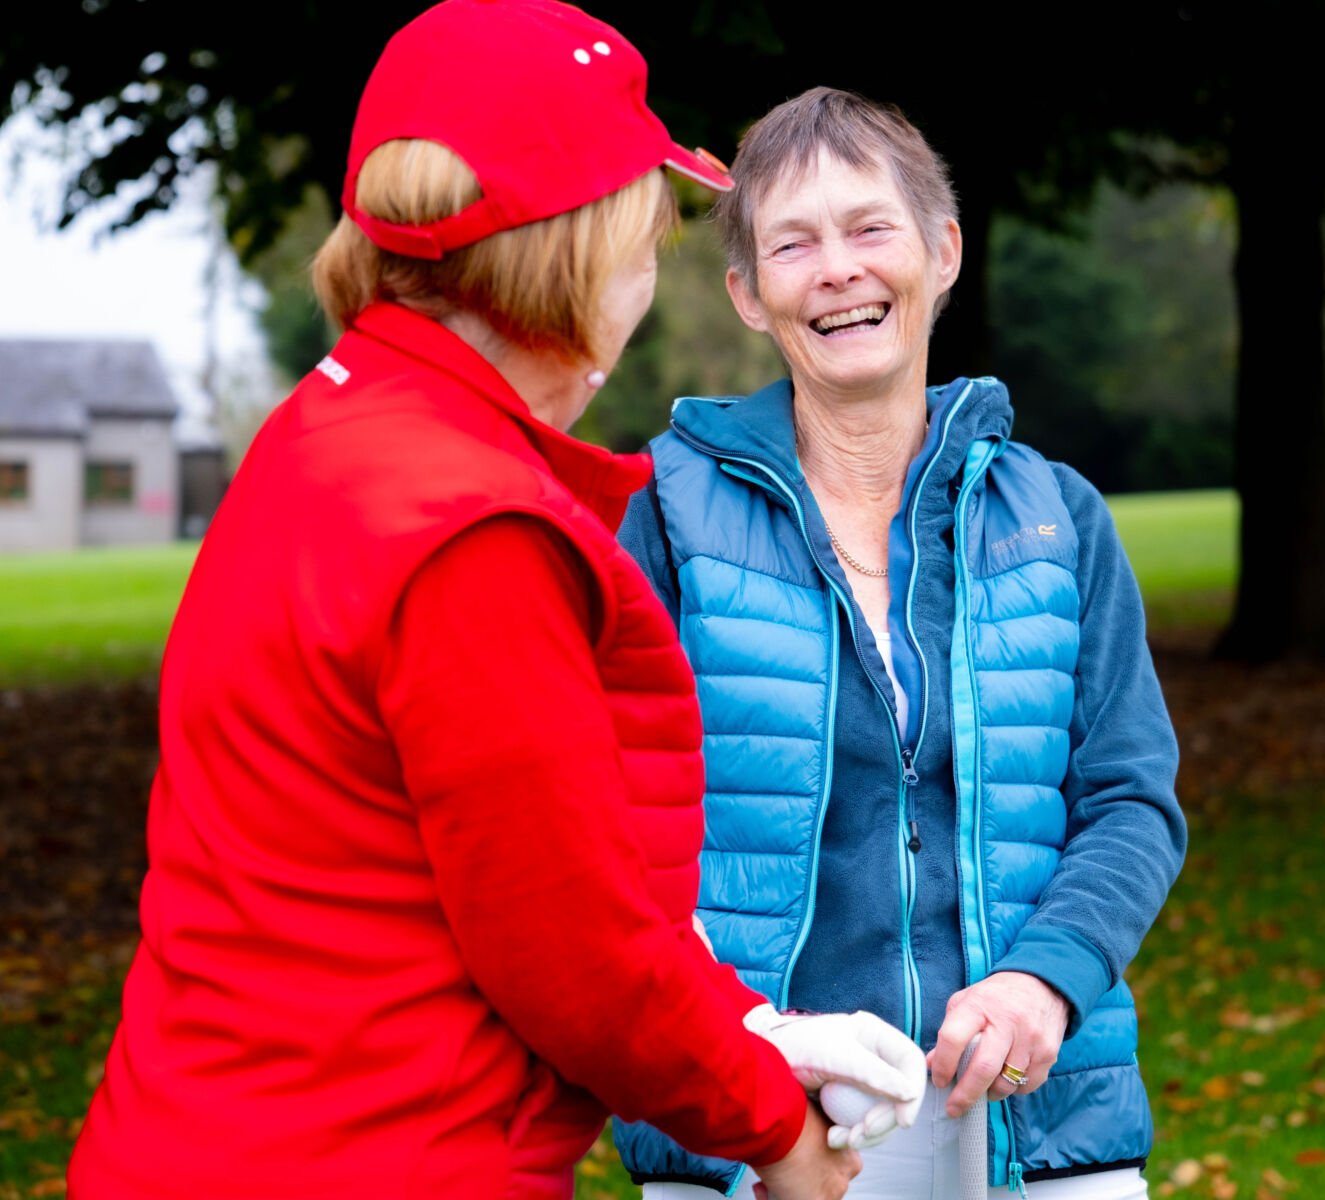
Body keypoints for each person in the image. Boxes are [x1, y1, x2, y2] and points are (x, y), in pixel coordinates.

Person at [67, 11, 931, 1200]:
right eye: (650, 233)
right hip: (372, 1157)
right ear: (582, 257)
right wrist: (770, 1124)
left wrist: (749, 1030)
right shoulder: (473, 534)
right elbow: (573, 952)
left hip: (208, 1133)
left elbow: (496, 872)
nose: (652, 269)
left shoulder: (327, 430)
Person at [614, 88, 1188, 1199]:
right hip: (745, 1131)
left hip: (1042, 1125)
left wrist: (1044, 984)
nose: (837, 269)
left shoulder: (1059, 517)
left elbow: (1132, 801)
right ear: (746, 292)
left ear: (944, 250)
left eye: (869, 228)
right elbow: (612, 829)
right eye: (793, 243)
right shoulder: (665, 518)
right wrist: (741, 1051)